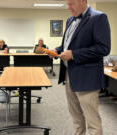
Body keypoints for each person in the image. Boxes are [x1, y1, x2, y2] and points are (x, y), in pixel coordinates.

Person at [50, 0, 111, 135]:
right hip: (69, 74)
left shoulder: (98, 17)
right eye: (67, 3)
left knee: (92, 122)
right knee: (77, 120)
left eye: (71, 4)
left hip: (87, 78)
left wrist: (74, 54)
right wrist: (56, 50)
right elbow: (67, 46)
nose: (68, 7)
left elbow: (103, 48)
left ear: (83, 1)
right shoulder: (70, 20)